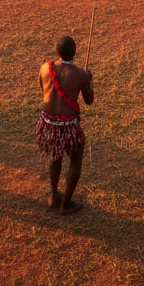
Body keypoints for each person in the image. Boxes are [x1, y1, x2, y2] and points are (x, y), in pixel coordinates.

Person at [35, 34, 93, 215]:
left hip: (47, 123)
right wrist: (89, 80)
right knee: (75, 159)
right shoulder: (81, 74)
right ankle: (66, 203)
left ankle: (54, 197)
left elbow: (42, 87)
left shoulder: (45, 68)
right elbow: (89, 100)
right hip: (68, 126)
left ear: (57, 51)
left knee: (55, 156)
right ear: (74, 53)